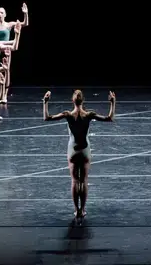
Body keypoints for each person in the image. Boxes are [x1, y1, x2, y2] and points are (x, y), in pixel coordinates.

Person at [43, 89, 115, 221]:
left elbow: (47, 118)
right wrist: (112, 102)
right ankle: (83, 209)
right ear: (83, 101)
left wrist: (45, 102)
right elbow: (109, 118)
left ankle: (77, 210)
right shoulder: (89, 115)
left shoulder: (68, 115)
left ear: (72, 100)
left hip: (73, 151)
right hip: (85, 150)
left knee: (75, 181)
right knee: (84, 181)